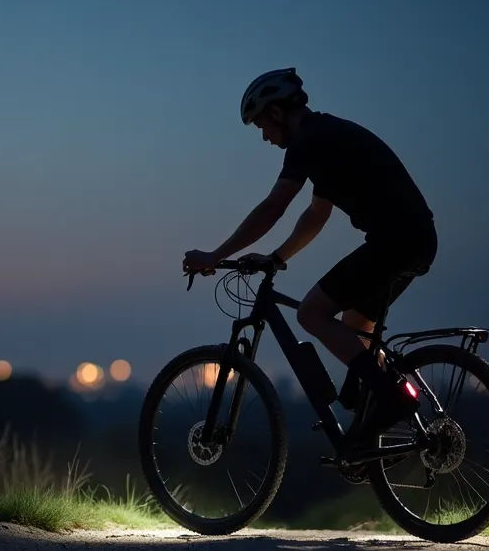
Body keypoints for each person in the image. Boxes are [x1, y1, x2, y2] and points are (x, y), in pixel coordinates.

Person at [181, 67, 438, 472]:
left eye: (262, 126)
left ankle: (391, 398)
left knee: (311, 313)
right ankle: (373, 425)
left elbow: (274, 206)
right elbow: (316, 215)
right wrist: (277, 257)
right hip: (415, 240)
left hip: (394, 242)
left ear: (277, 113)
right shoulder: (327, 138)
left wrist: (215, 255)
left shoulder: (309, 142)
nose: (265, 137)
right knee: (354, 329)